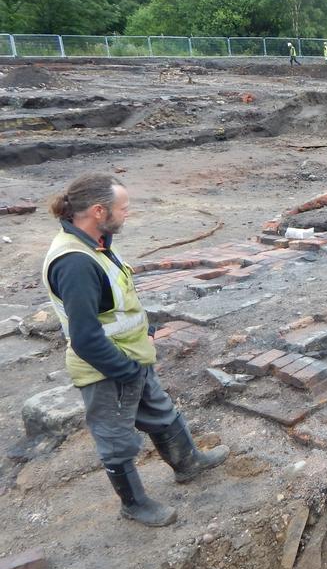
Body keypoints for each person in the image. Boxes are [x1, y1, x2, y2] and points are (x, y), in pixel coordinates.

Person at [43, 174, 229, 526]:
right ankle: (134, 505)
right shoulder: (75, 263)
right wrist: (125, 369)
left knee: (161, 412)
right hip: (106, 368)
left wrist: (145, 330)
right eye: (122, 208)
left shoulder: (97, 242)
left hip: (131, 355)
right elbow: (85, 336)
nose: (128, 214)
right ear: (98, 210)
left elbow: (113, 305)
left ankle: (188, 464)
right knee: (116, 439)